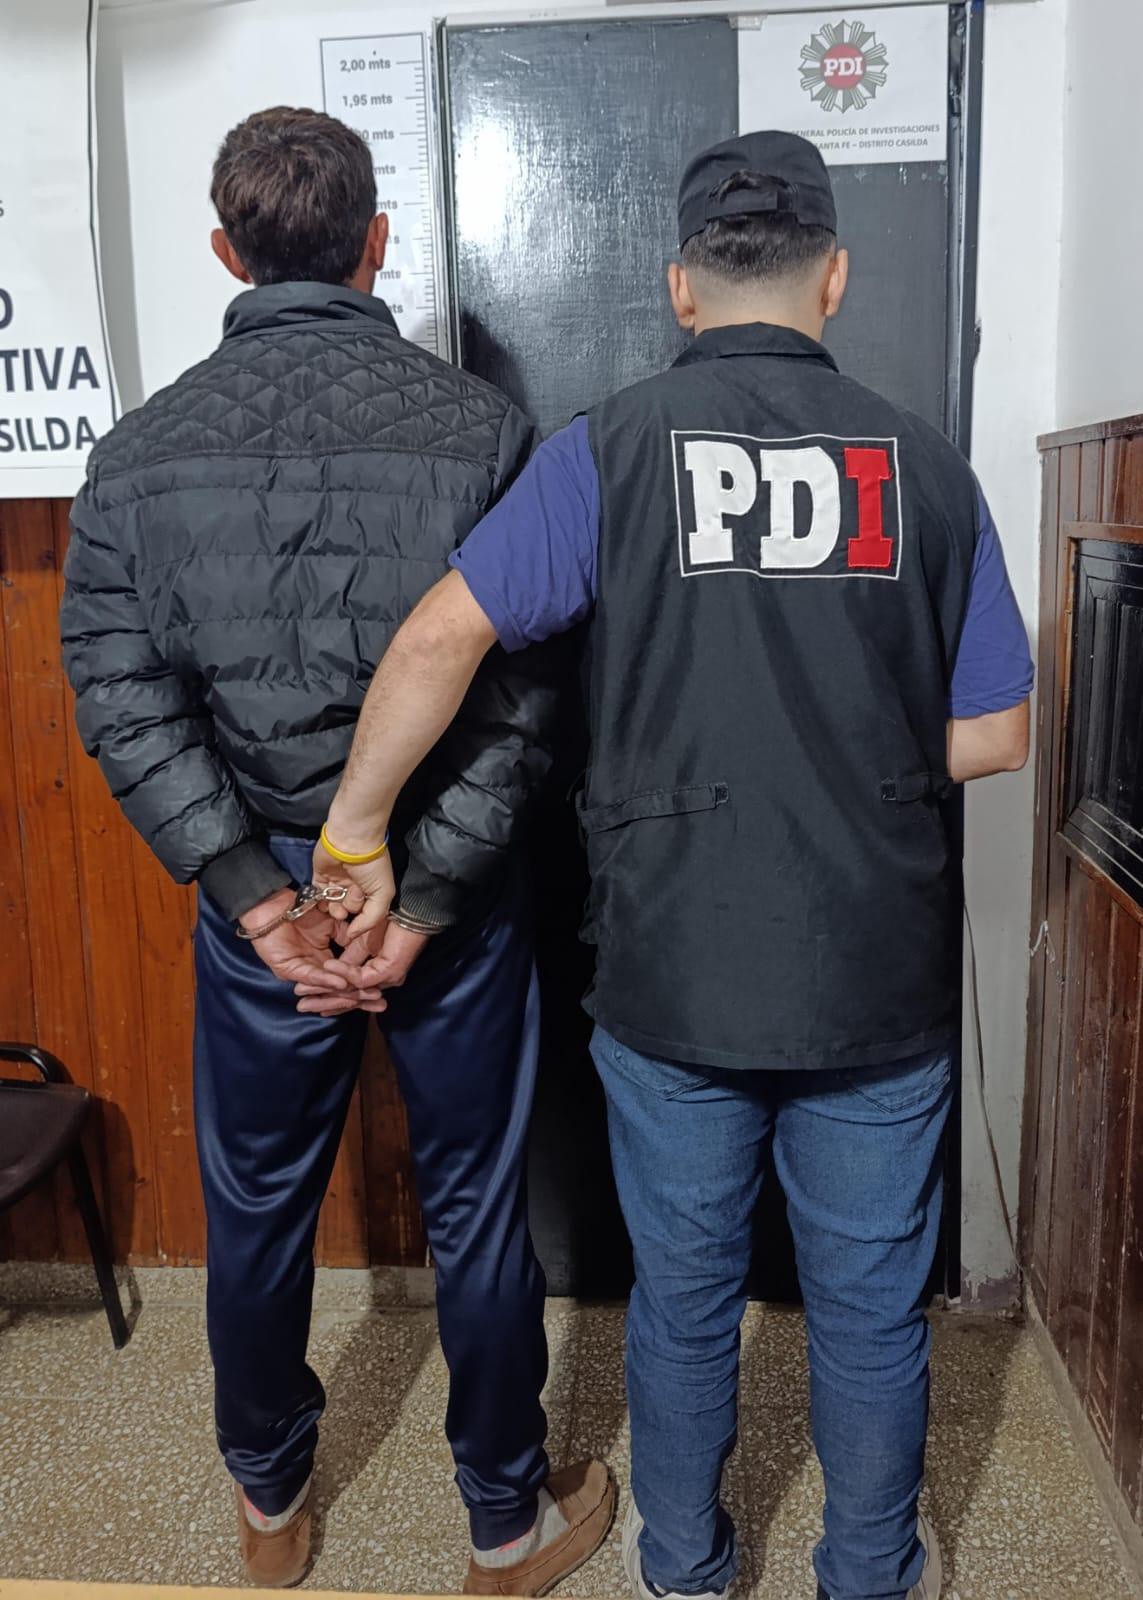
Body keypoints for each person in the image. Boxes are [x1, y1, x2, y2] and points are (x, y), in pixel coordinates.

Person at [312, 131, 1033, 1600]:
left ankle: (687, 1570)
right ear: (835, 276)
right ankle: (870, 1573)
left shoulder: (611, 450)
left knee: (686, 1302)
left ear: (681, 290)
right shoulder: (931, 467)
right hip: (872, 972)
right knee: (872, 1311)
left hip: (674, 968)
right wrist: (843, 754)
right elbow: (999, 733)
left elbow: (443, 636)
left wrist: (355, 832)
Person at [60, 106, 614, 1594]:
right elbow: (528, 693)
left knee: (256, 1212)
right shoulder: (479, 430)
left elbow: (119, 691)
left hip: (269, 906)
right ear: (376, 242)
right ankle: (504, 1525)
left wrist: (260, 902)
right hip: (446, 895)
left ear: (225, 251)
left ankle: (268, 1512)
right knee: (477, 1204)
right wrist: (421, 896)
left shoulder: (137, 452)